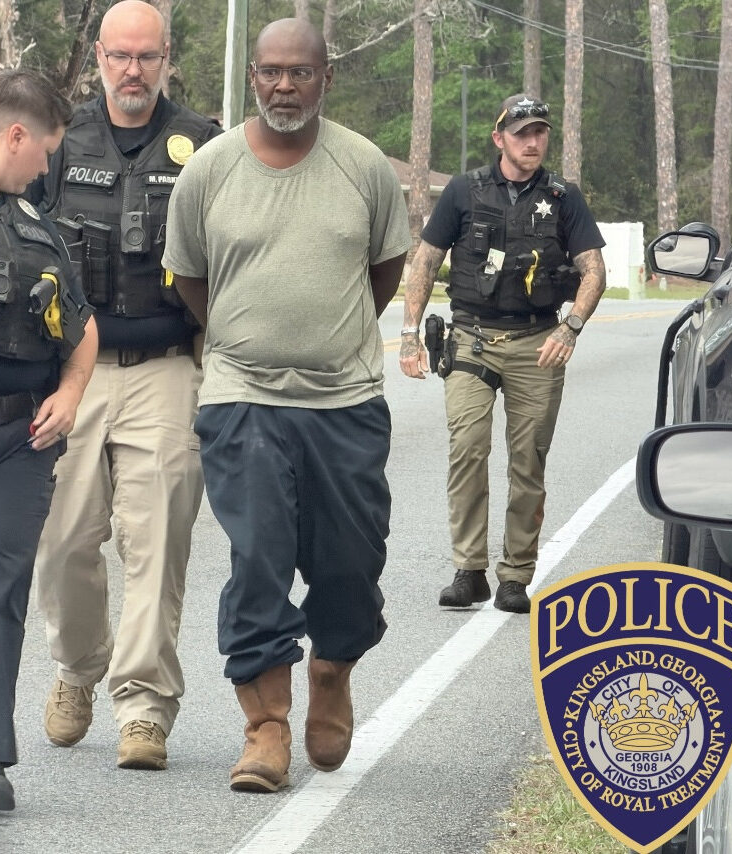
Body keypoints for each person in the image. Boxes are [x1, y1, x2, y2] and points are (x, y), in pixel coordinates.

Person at [162, 18, 410, 793]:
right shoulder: (209, 170)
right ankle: (265, 727)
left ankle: (331, 669)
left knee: (349, 561)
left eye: (300, 73)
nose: (284, 86)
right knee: (259, 557)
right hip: (243, 397)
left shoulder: (364, 166)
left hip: (346, 400)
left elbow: (385, 269)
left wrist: (327, 339)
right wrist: (246, 342)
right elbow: (191, 279)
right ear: (253, 77)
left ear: (325, 79)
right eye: (270, 72)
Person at [24, 0, 223, 771]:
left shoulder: (206, 144)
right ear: (99, 58)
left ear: (167, 56)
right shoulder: (60, 140)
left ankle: (144, 706)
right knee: (65, 540)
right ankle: (78, 666)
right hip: (73, 371)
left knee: (158, 539)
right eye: (119, 56)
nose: (132, 71)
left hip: (168, 367)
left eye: (146, 56)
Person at [398, 93, 607, 614]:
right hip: (470, 337)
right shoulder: (465, 192)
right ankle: (469, 571)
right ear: (499, 139)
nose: (532, 142)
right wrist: (407, 333)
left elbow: (594, 270)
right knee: (467, 449)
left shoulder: (564, 198)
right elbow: (424, 261)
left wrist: (571, 328)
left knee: (528, 459)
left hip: (537, 342)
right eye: (522, 133)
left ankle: (515, 575)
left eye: (540, 132)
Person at [0, 69, 97, 812]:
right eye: (44, 152)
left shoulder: (38, 227)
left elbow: (82, 332)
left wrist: (72, 395)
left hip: (21, 437)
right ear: (15, 135)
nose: (46, 168)